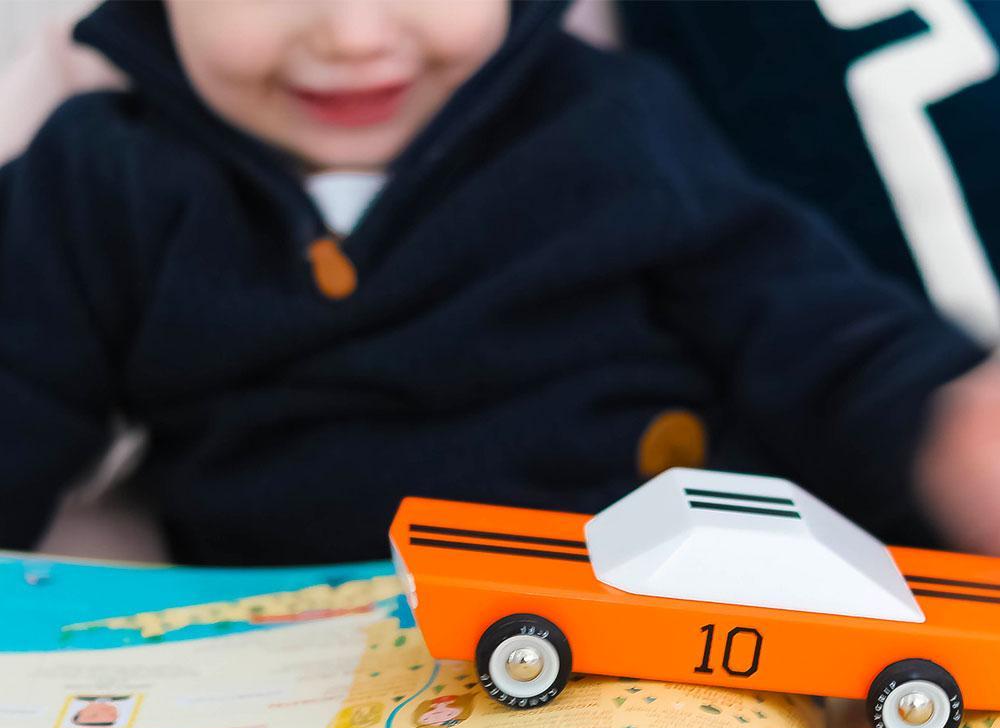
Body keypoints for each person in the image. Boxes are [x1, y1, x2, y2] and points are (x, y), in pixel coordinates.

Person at [1, 0, 998, 566]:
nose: (352, 34)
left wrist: (933, 421)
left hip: (657, 626)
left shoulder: (609, 122)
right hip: (320, 688)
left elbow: (802, 321)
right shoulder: (99, 176)